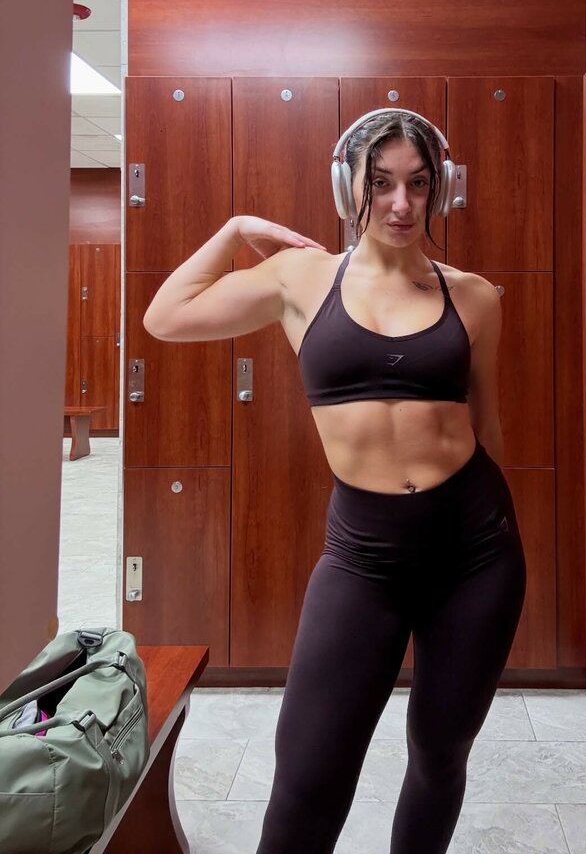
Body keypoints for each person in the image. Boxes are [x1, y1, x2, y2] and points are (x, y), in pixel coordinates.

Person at [143, 109, 527, 854]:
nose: (400, 204)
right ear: (345, 185)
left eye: (419, 184)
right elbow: (166, 315)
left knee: (440, 756)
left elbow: (488, 424)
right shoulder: (301, 278)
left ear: (441, 189)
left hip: (475, 554)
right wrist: (236, 228)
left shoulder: (474, 295)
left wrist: (504, 533)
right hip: (364, 559)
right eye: (379, 183)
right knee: (308, 777)